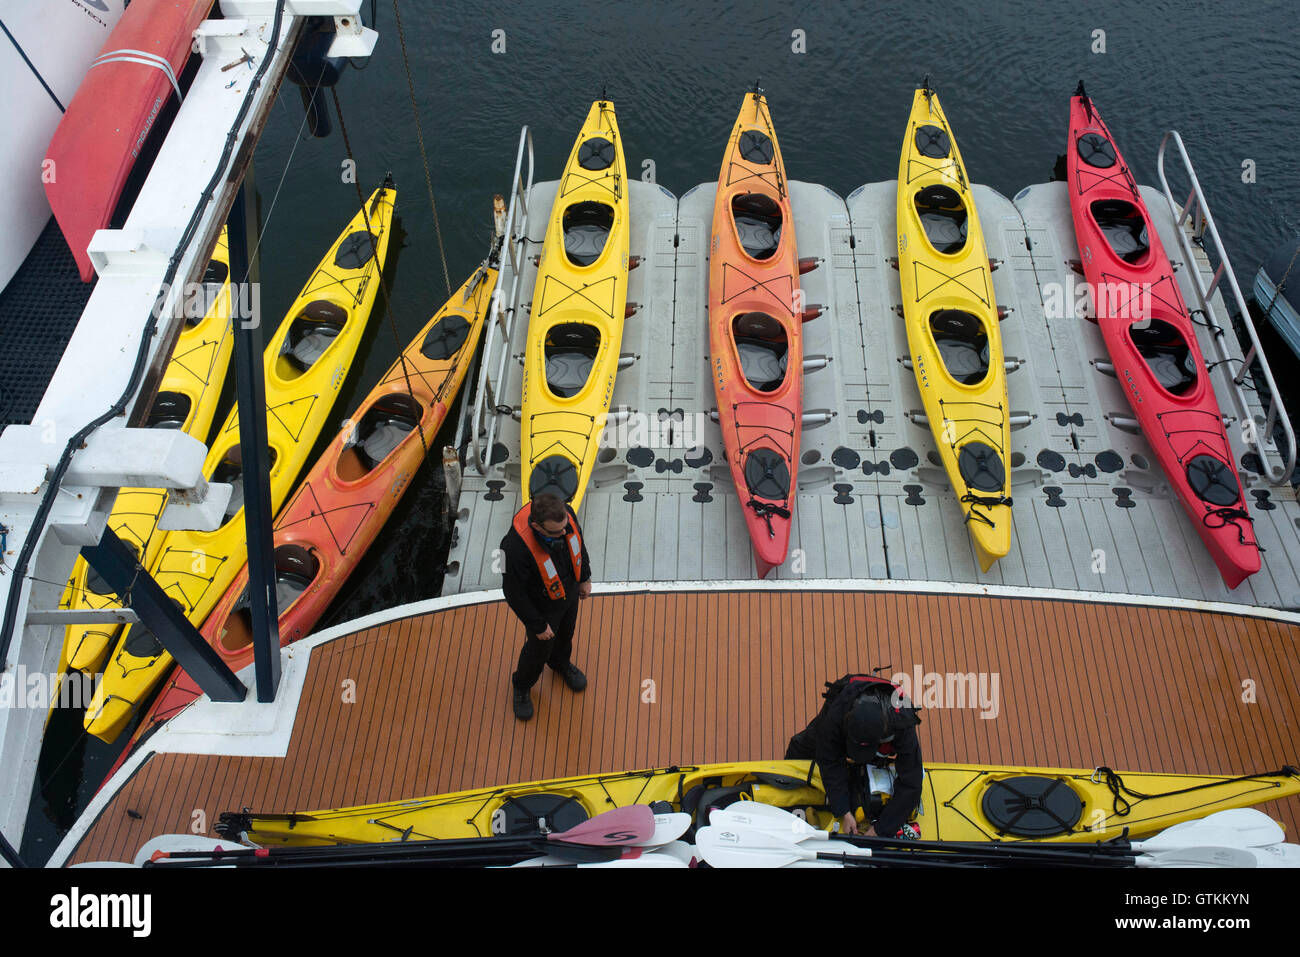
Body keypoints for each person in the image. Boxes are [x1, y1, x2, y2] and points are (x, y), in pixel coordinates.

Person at [785, 673, 923, 838]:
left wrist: (882, 829)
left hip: (882, 727)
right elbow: (829, 759)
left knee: (862, 769)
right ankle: (787, 781)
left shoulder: (903, 722)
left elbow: (911, 782)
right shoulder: (836, 714)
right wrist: (844, 811)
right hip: (845, 703)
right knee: (801, 746)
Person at [500, 492, 593, 720]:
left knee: (565, 635)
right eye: (555, 532)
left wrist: (585, 577)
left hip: (568, 592)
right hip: (541, 608)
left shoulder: (566, 517)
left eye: (564, 528)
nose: (563, 534)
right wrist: (538, 625)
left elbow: (579, 543)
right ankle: (522, 686)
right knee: (537, 650)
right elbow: (512, 592)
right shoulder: (511, 548)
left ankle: (560, 664)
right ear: (536, 526)